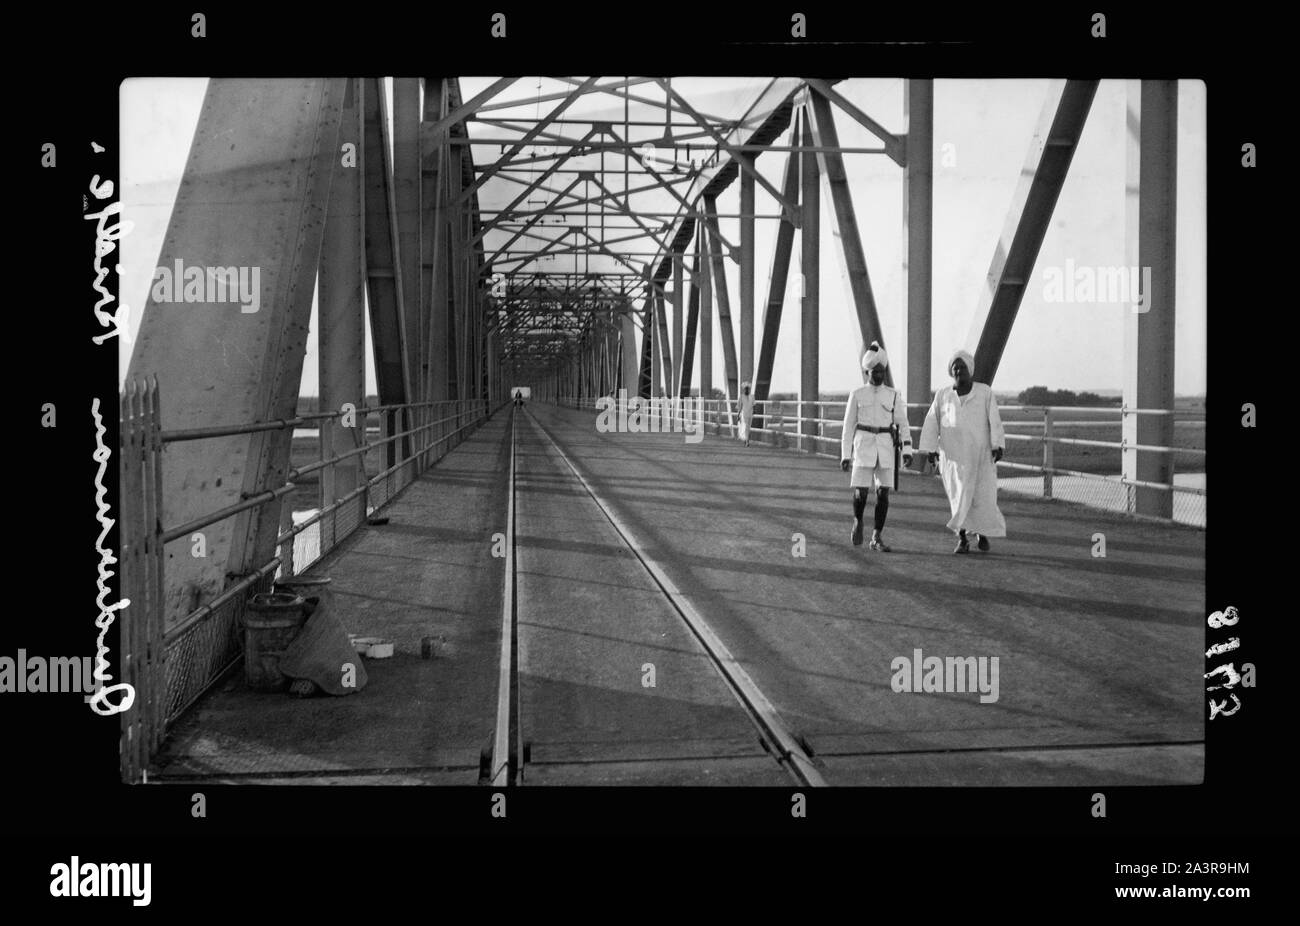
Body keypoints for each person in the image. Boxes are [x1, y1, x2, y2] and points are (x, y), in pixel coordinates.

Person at [919, 349, 1006, 554]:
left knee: (982, 497)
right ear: (951, 372)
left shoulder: (984, 392)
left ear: (970, 370)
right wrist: (930, 448)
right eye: (955, 368)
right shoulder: (943, 395)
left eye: (962, 367)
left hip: (981, 456)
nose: (959, 371)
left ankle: (982, 534)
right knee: (958, 497)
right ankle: (962, 539)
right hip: (954, 457)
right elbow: (932, 422)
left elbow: (994, 419)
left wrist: (998, 444)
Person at [840, 341, 912, 551]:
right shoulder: (857, 394)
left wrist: (907, 450)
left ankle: (877, 536)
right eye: (875, 371)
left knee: (883, 493)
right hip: (863, 448)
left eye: (882, 371)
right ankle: (857, 520)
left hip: (886, 448)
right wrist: (846, 455)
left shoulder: (893, 395)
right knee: (861, 493)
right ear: (867, 372)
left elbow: (903, 424)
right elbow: (847, 427)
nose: (879, 375)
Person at [737, 381, 755, 447]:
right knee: (745, 427)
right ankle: (747, 441)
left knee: (748, 428)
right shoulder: (741, 397)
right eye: (746, 389)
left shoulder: (752, 397)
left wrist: (754, 412)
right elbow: (739, 406)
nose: (747, 390)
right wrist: (738, 414)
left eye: (748, 389)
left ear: (749, 389)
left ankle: (745, 440)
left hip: (750, 414)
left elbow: (754, 405)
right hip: (744, 414)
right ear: (744, 390)